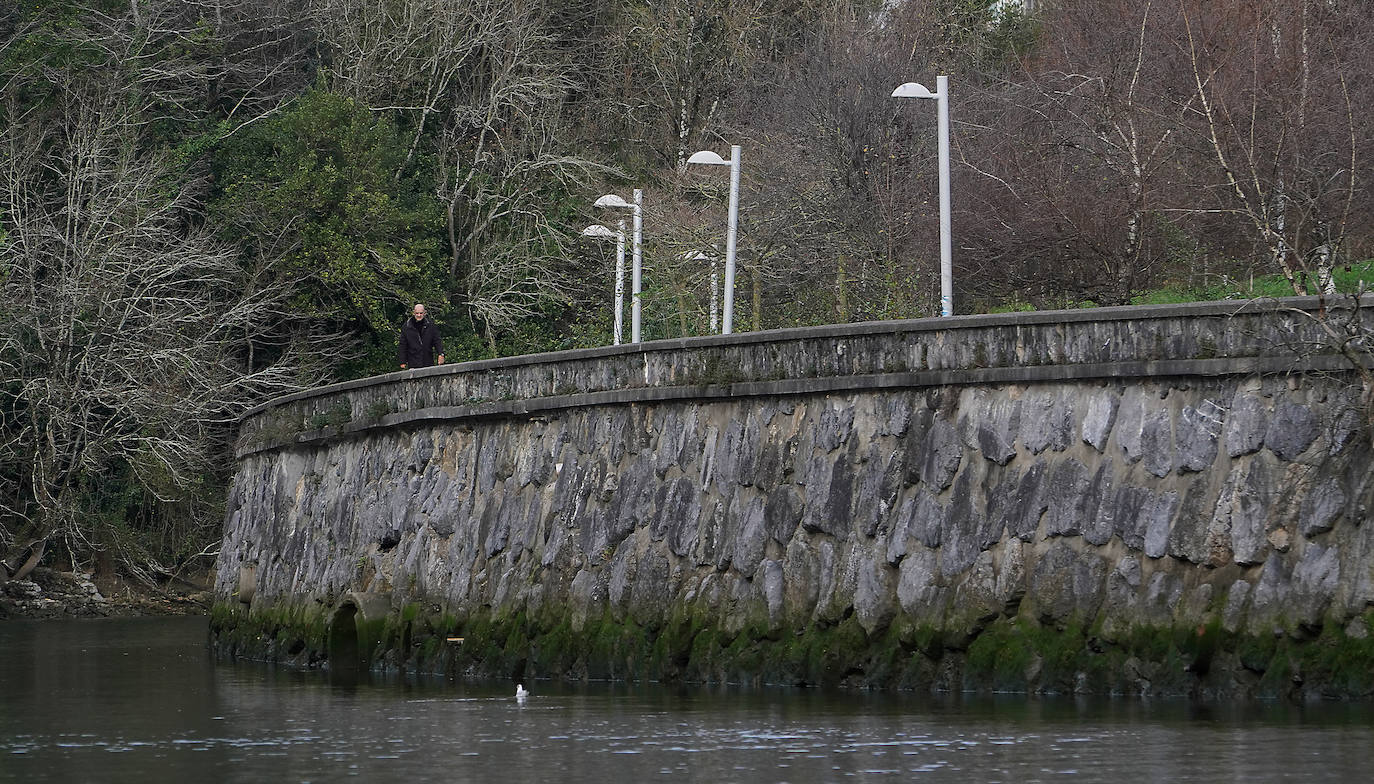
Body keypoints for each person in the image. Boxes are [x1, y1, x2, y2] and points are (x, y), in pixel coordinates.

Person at [398, 303, 445, 369]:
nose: (419, 315)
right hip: (413, 362)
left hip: (428, 361)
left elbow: (437, 340)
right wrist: (402, 361)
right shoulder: (407, 327)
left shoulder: (430, 325)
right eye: (417, 313)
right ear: (413, 313)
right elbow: (403, 345)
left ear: (424, 313)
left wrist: (441, 354)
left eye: (421, 313)